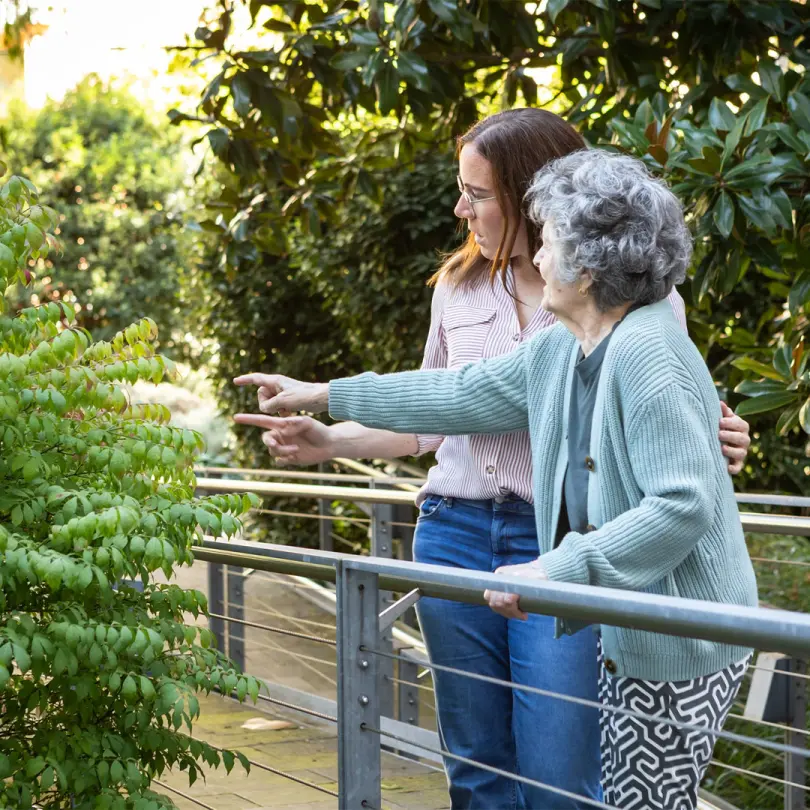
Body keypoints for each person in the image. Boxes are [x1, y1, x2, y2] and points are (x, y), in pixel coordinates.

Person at [234, 125, 752, 810]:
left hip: (645, 613)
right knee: (530, 775)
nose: (540, 251)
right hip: (567, 580)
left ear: (587, 263)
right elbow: (456, 393)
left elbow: (680, 497)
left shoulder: (643, 342)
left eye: (551, 238)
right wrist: (325, 398)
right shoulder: (567, 345)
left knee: (582, 786)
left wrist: (556, 568)